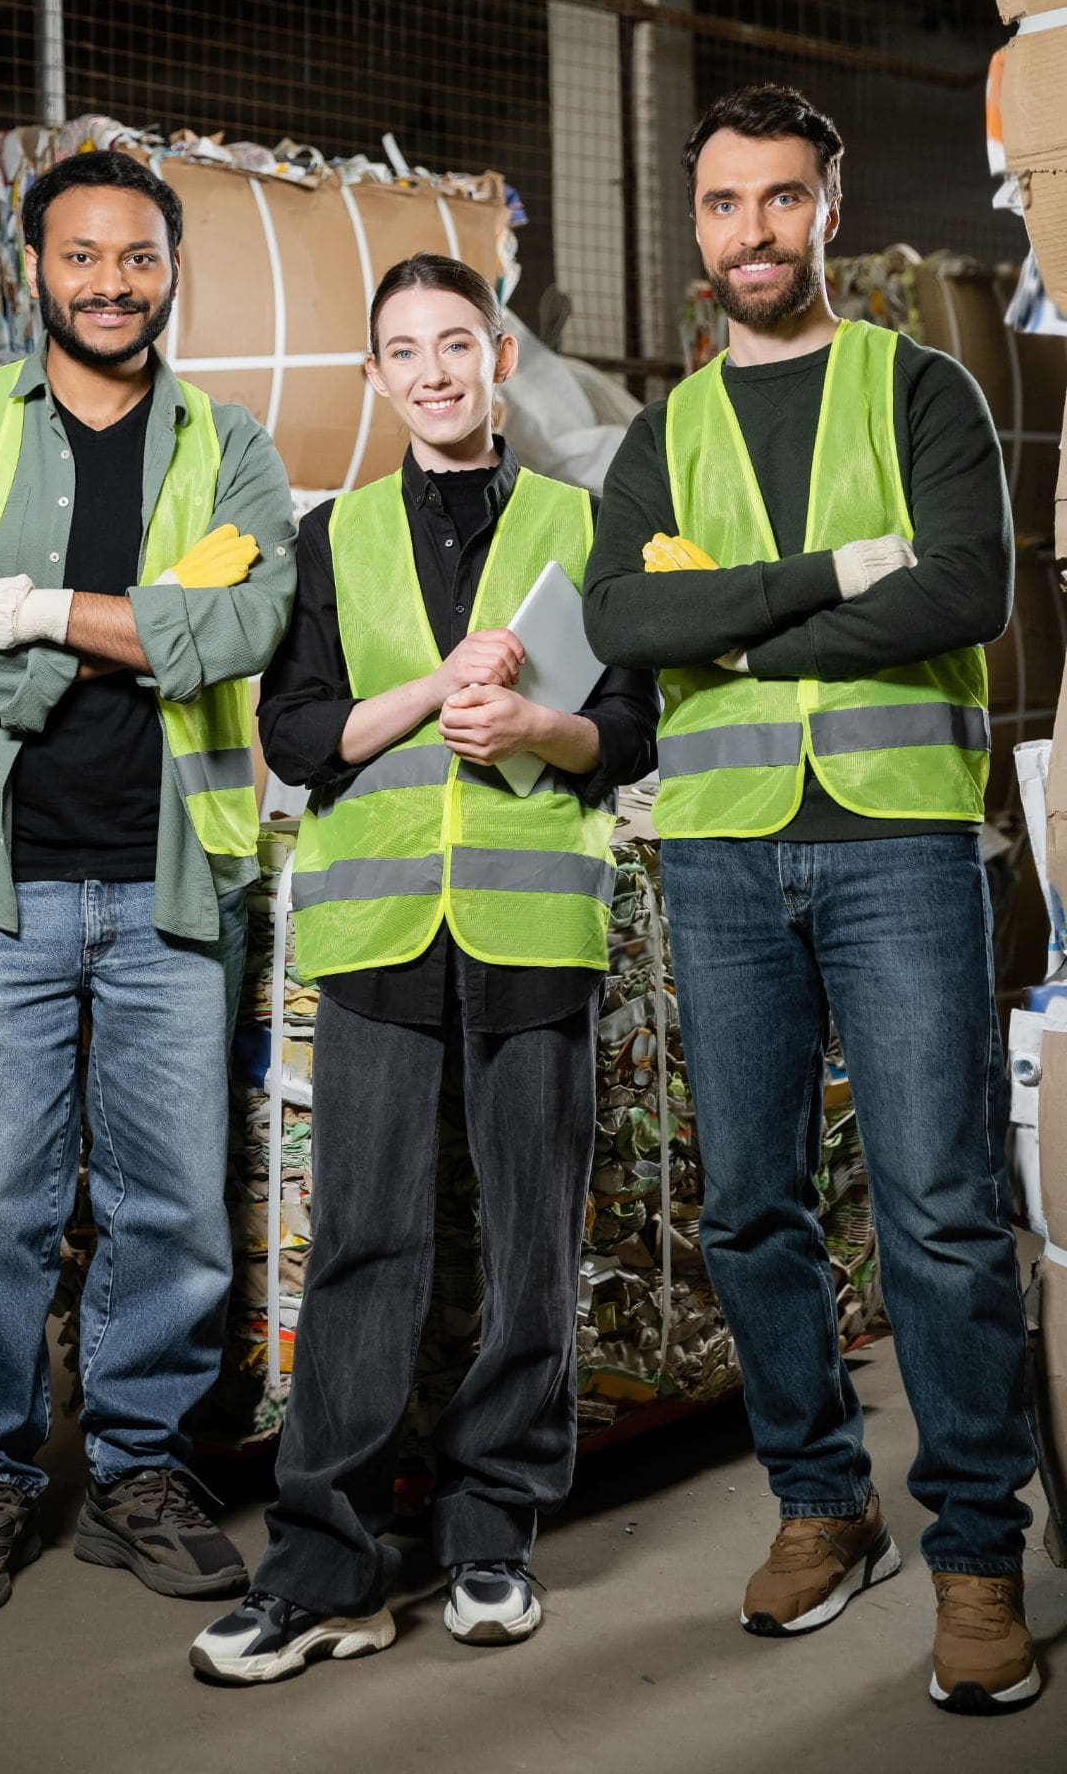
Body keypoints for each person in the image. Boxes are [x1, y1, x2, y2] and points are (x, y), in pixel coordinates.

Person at [583, 84, 1039, 1714]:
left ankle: (979, 1549)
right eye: (724, 204)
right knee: (751, 1208)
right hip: (718, 854)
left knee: (936, 1206)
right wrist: (830, 584)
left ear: (826, 212)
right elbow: (624, 620)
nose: (752, 232)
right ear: (697, 225)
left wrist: (742, 633)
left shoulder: (917, 389)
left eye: (782, 200)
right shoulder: (666, 429)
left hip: (900, 841)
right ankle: (821, 1508)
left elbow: (968, 588)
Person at [188, 252, 658, 1685]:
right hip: (381, 933)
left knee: (527, 1242)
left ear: (500, 357)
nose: (438, 371)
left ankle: (490, 1533)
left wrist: (535, 731)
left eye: (460, 343)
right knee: (365, 1246)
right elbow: (295, 734)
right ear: (378, 379)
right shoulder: (335, 540)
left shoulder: (587, 525)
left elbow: (630, 727)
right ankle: (324, 1562)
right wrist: (437, 689)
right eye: (407, 351)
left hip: (530, 929)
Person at [0, 149, 296, 1618]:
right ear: (33, 270)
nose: (109, 283)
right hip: (0, 883)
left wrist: (29, 608)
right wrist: (134, 626)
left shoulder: (229, 444)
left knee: (172, 1203)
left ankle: (137, 1469)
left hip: (176, 881)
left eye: (136, 257)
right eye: (81, 257)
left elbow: (247, 626)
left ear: (171, 269)